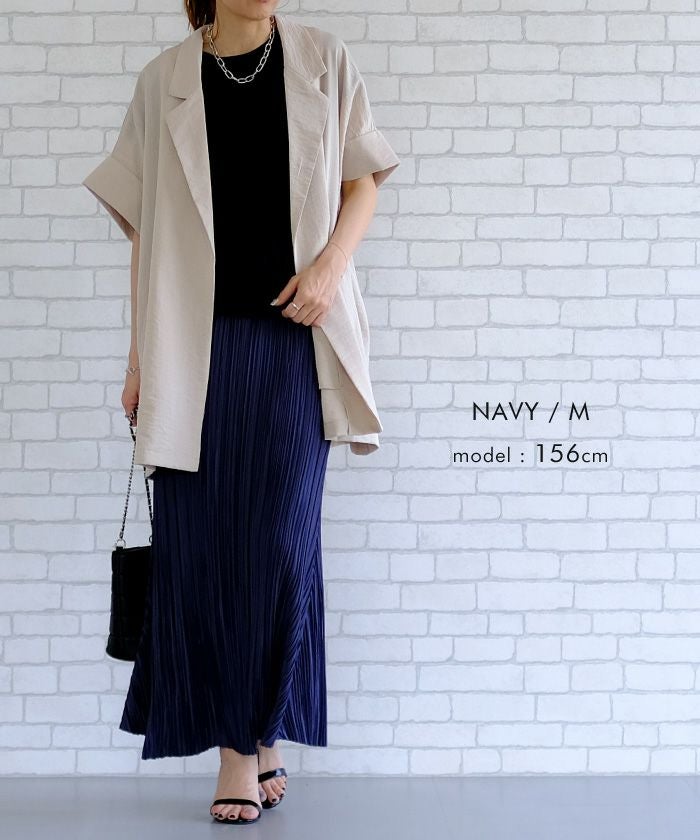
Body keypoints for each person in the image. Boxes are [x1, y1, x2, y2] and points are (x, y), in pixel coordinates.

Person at [82, 0, 400, 826]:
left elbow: (363, 182)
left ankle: (260, 729)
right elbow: (147, 235)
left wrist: (329, 268)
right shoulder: (164, 81)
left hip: (295, 345)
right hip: (196, 350)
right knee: (204, 548)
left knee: (281, 548)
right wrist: (139, 361)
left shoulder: (323, 59)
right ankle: (243, 748)